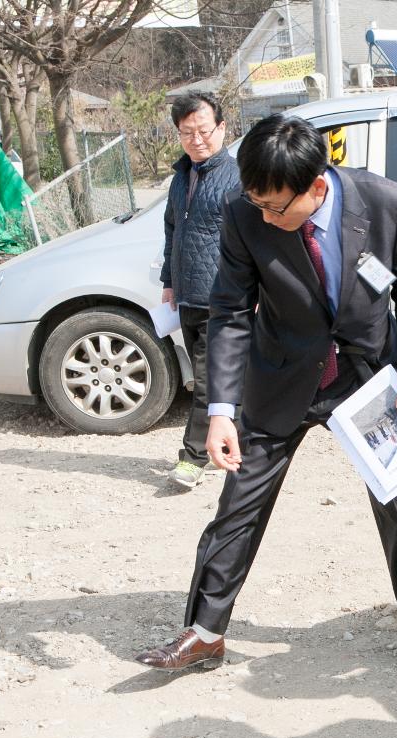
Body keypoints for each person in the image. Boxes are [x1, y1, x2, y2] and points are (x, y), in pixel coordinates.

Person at [136, 115, 397, 672]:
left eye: (276, 207)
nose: (265, 216)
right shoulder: (246, 213)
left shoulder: (383, 201)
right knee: (238, 506)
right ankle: (205, 631)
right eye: (256, 204)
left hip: (364, 374)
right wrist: (221, 411)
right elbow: (230, 312)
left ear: (317, 187)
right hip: (281, 375)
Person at [159, 92, 240, 490]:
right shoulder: (181, 176)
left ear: (222, 128)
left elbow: (250, 240)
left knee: (208, 382)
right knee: (211, 378)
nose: (197, 140)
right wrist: (168, 281)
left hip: (223, 299)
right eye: (187, 132)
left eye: (204, 131)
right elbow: (172, 230)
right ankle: (235, 437)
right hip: (188, 296)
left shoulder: (237, 177)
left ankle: (192, 458)